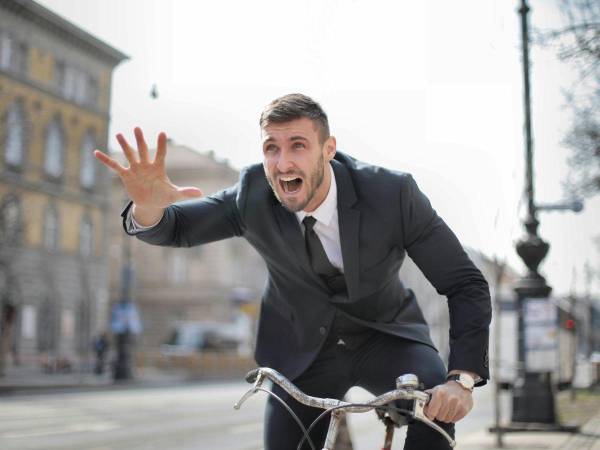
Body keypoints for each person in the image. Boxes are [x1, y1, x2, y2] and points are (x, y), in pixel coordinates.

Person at [95, 93, 491, 449]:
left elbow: (464, 282)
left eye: (298, 146)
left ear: (328, 149)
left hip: (386, 336)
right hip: (302, 353)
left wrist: (462, 379)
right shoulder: (253, 193)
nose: (283, 163)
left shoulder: (392, 194)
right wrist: (148, 207)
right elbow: (177, 227)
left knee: (435, 413)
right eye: (272, 148)